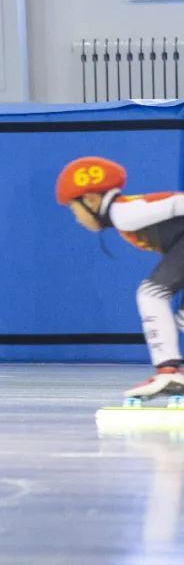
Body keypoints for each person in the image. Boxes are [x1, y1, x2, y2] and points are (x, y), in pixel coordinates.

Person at [56, 156, 184, 401]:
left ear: (91, 199)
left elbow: (178, 201)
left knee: (151, 294)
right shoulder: (125, 214)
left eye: (74, 209)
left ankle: (167, 371)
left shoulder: (125, 213)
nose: (76, 218)